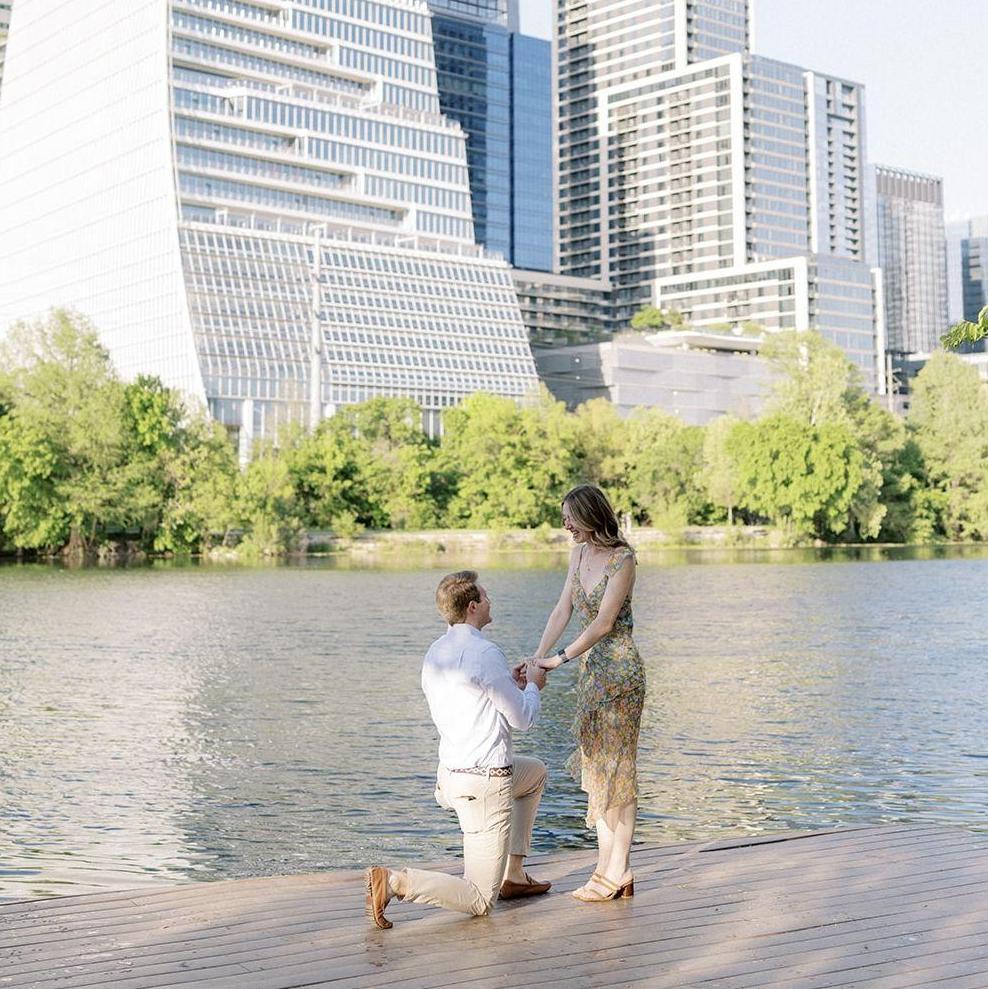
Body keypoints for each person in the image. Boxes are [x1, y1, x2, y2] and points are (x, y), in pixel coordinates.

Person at [365, 570, 551, 930]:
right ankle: (393, 882)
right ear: (472, 607)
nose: (491, 599)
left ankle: (512, 873)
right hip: (483, 785)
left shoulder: (436, 653)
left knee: (535, 773)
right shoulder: (485, 652)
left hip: (451, 777)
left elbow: (473, 698)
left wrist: (511, 683)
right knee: (480, 900)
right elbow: (523, 718)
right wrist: (534, 687)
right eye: (486, 595)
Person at [531, 483, 645, 902]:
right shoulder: (578, 553)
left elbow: (602, 624)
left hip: (620, 676)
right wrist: (537, 656)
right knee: (598, 773)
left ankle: (620, 869)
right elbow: (563, 608)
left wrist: (557, 660)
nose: (565, 526)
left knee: (619, 771)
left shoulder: (623, 560)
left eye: (570, 518)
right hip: (591, 675)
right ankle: (604, 869)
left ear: (591, 516)